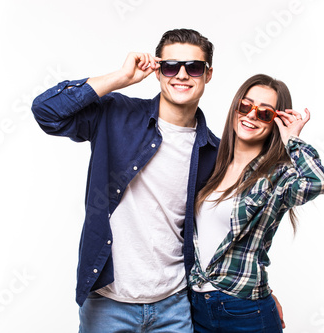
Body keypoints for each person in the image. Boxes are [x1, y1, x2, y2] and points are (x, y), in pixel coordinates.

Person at [31, 29, 219, 332]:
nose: (181, 75)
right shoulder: (117, 114)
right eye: (171, 66)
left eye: (193, 67)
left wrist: (263, 292)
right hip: (108, 304)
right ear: (158, 70)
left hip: (175, 305)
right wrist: (120, 77)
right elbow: (47, 112)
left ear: (207, 74)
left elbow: (228, 229)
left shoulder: (213, 151)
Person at [189, 74, 324, 332]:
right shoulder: (212, 161)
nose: (251, 115)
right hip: (197, 306)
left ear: (275, 121)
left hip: (244, 310)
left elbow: (318, 182)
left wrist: (292, 139)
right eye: (246, 105)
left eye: (265, 113)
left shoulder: (277, 176)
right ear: (235, 108)